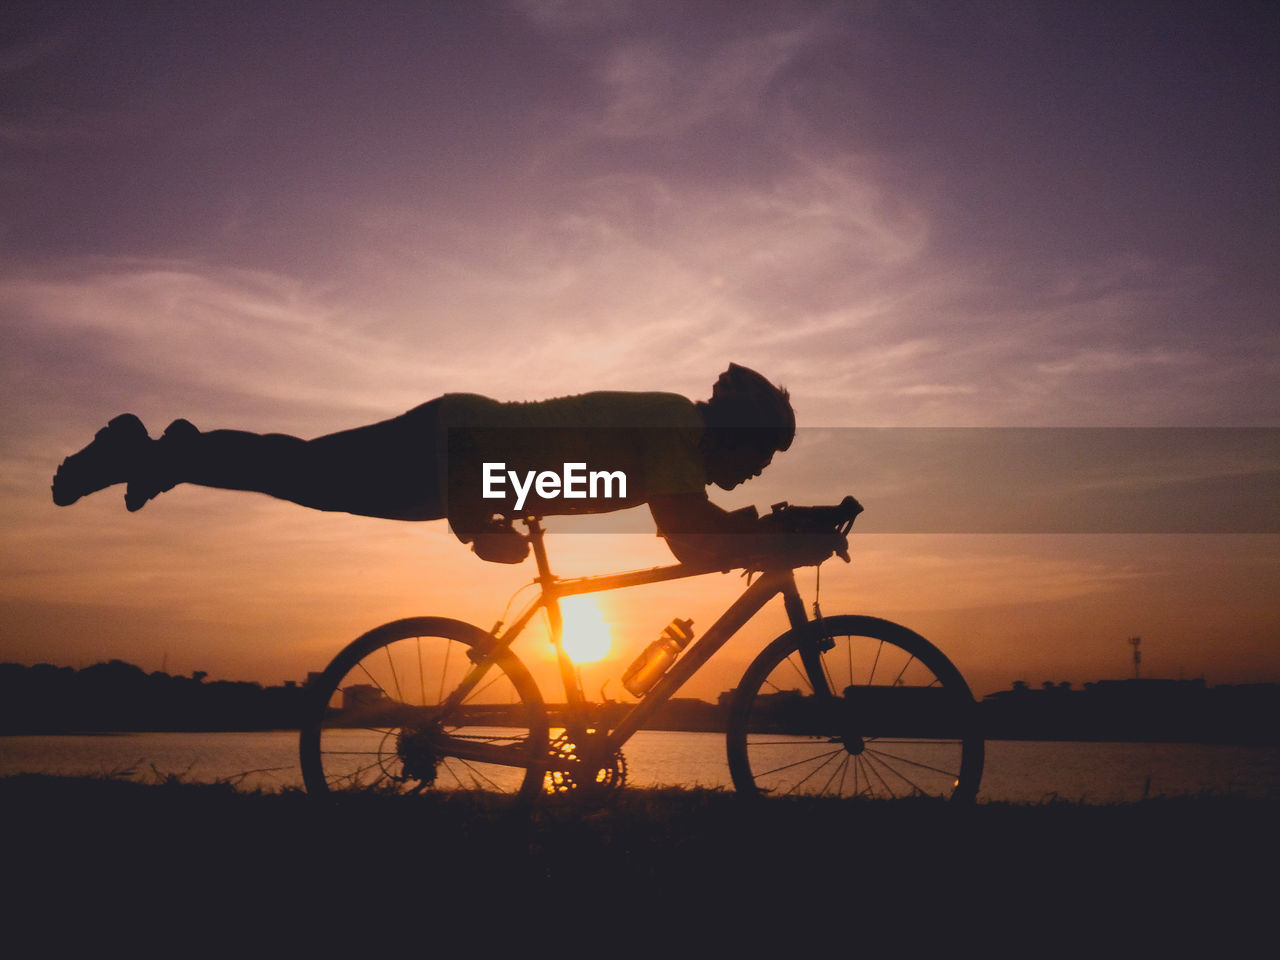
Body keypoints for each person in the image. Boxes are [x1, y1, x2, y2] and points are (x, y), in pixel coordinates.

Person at [51, 363, 796, 567]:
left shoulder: (678, 443)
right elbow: (689, 533)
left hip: (462, 462)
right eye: (761, 454)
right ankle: (154, 450)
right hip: (455, 445)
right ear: (736, 432)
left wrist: (487, 518)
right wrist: (775, 538)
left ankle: (172, 453)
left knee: (306, 478)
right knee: (307, 475)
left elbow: (691, 528)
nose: (759, 470)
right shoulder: (675, 426)